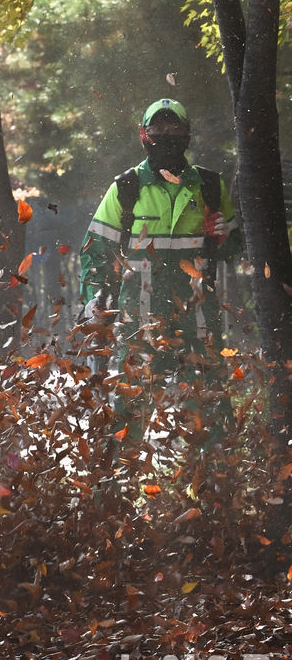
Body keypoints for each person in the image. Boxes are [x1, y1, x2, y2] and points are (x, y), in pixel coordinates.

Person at [79, 98, 243, 440]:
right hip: (139, 322)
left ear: (187, 135)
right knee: (129, 411)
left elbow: (233, 249)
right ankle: (121, 471)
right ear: (143, 135)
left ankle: (214, 472)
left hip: (198, 319)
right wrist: (94, 298)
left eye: (174, 129)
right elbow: (95, 250)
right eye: (158, 129)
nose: (166, 136)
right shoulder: (126, 188)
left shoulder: (210, 186)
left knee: (209, 407)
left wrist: (226, 237)